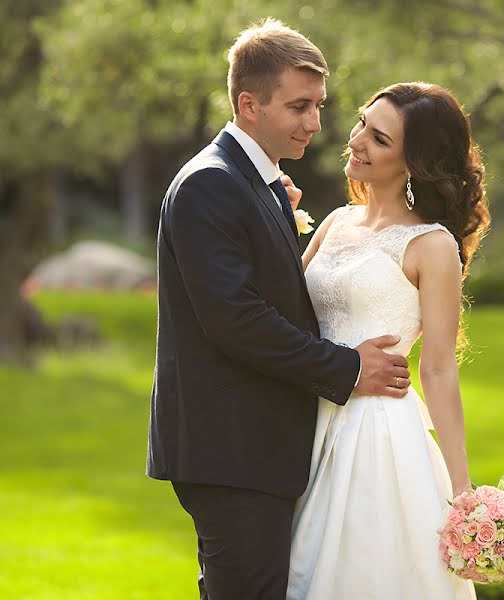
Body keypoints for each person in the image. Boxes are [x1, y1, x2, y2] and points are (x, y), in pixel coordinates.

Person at [146, 19, 412, 600]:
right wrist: (348, 368)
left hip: (257, 445)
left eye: (318, 105)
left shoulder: (256, 182)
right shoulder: (209, 185)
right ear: (249, 104)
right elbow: (236, 319)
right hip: (231, 448)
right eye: (298, 107)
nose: (315, 123)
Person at [286, 82, 490, 599]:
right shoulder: (333, 223)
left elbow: (439, 369)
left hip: (374, 436)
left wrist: (462, 490)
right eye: (361, 123)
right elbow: (283, 314)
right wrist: (275, 220)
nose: (355, 141)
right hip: (302, 416)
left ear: (414, 162)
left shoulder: (432, 246)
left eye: (378, 139)